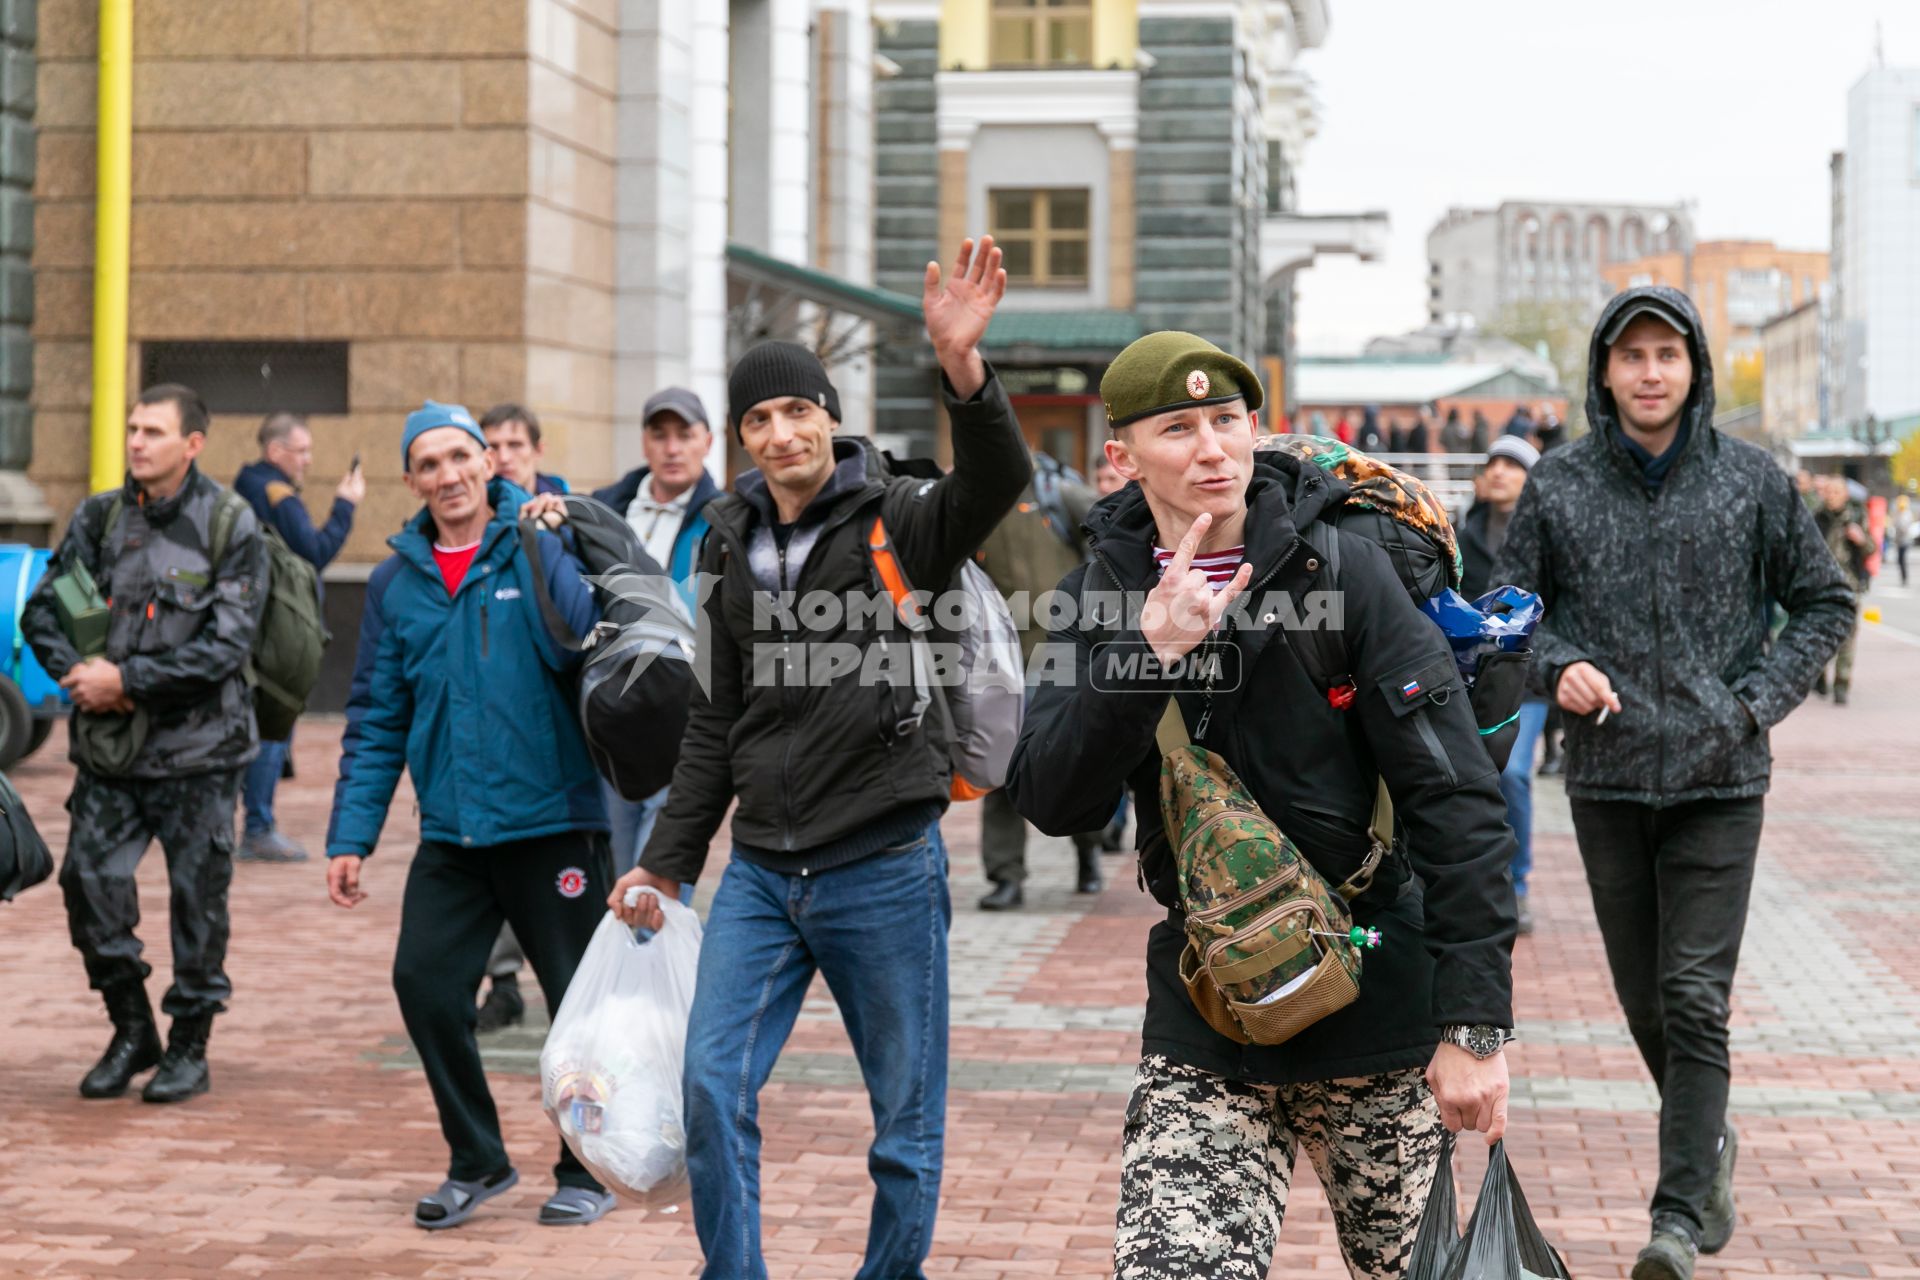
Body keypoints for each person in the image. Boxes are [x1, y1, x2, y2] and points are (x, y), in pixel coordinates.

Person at [1009, 331, 1518, 1279]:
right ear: (1120, 457)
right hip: (1210, 1017)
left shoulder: (1344, 572)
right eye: (1177, 428)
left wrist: (1473, 1027)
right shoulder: (1099, 597)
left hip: (1379, 1012)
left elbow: (1457, 801)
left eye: (1226, 420)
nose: (1210, 448)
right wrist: (1145, 654)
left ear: (1254, 430)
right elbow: (1050, 797)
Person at [606, 236, 1030, 1280]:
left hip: (882, 861)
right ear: (741, 438)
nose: (781, 430)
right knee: (712, 1084)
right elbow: (712, 718)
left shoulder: (899, 518)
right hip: (760, 869)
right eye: (759, 416)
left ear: (830, 417)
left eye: (799, 409)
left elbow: (997, 477)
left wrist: (964, 370)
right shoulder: (720, 542)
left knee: (903, 1118)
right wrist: (665, 862)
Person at [1495, 287, 1854, 1279]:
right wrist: (1556, 662)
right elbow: (1507, 611)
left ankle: (1679, 1217)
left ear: (1693, 368)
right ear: (1605, 373)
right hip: (1607, 778)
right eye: (1632, 355)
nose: (1651, 372)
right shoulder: (1559, 485)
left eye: (1668, 354)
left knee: (1694, 997)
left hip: (1721, 776)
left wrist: (1753, 702)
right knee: (1646, 1003)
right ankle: (1711, 1144)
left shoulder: (1751, 480)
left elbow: (1826, 600)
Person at [325, 400, 619, 1231]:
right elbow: (377, 715)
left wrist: (556, 527)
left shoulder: (535, 544)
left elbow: (586, 645)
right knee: (423, 984)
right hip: (453, 832)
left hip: (553, 821)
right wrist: (352, 836)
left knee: (576, 1004)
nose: (450, 474)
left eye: (463, 456)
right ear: (412, 480)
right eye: (430, 463)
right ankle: (478, 1159)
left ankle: (585, 1165)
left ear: (489, 464)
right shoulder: (394, 581)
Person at [22, 384, 268, 1104]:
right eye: (132, 428)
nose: (136, 442)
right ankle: (133, 1029)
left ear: (192, 443)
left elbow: (227, 645)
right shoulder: (99, 517)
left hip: (200, 755)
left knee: (198, 905)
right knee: (88, 888)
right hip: (112, 755)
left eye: (153, 432)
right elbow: (44, 609)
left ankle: (190, 1046)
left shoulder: (229, 523)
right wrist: (77, 675)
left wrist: (125, 681)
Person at [231, 412, 364, 863]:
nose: (308, 460)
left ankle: (241, 821)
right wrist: (345, 505)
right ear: (276, 451)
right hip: (277, 630)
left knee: (252, 720)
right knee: (275, 716)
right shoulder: (277, 493)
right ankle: (258, 827)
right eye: (301, 450)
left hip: (251, 622)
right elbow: (315, 553)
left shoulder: (248, 486)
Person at [975, 451, 1101, 910]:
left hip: (1066, 654)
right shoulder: (978, 506)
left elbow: (1110, 541)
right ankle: (1006, 875)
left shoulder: (1057, 494)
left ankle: (1088, 852)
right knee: (1003, 768)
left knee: (1075, 765)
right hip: (1003, 660)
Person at [1458, 435, 1545, 935]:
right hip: (1469, 679)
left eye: (1512, 465)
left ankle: (1517, 884)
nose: (1499, 472)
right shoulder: (1460, 536)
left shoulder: (1541, 540)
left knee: (1511, 774)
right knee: (1472, 778)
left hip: (1527, 682)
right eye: (1493, 463)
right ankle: (1477, 878)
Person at [1812, 474, 1872, 705]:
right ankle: (1819, 674)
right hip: (1821, 588)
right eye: (1829, 491)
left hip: (1850, 585)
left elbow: (1871, 549)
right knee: (1820, 636)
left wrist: (1860, 539)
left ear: (1845, 495)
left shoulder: (1856, 517)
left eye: (1837, 492)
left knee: (1848, 636)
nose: (1833, 496)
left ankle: (1841, 684)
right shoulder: (1816, 518)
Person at [479, 402, 569, 497]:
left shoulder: (567, 505)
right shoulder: (472, 506)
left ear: (538, 450)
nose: (503, 458)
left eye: (515, 445)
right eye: (493, 447)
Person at [1892, 493, 1914, 588]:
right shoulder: (1897, 513)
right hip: (1899, 541)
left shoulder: (1907, 514)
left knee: (1902, 560)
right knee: (1899, 560)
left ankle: (1904, 578)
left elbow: (1905, 527)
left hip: (1905, 541)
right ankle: (1903, 578)